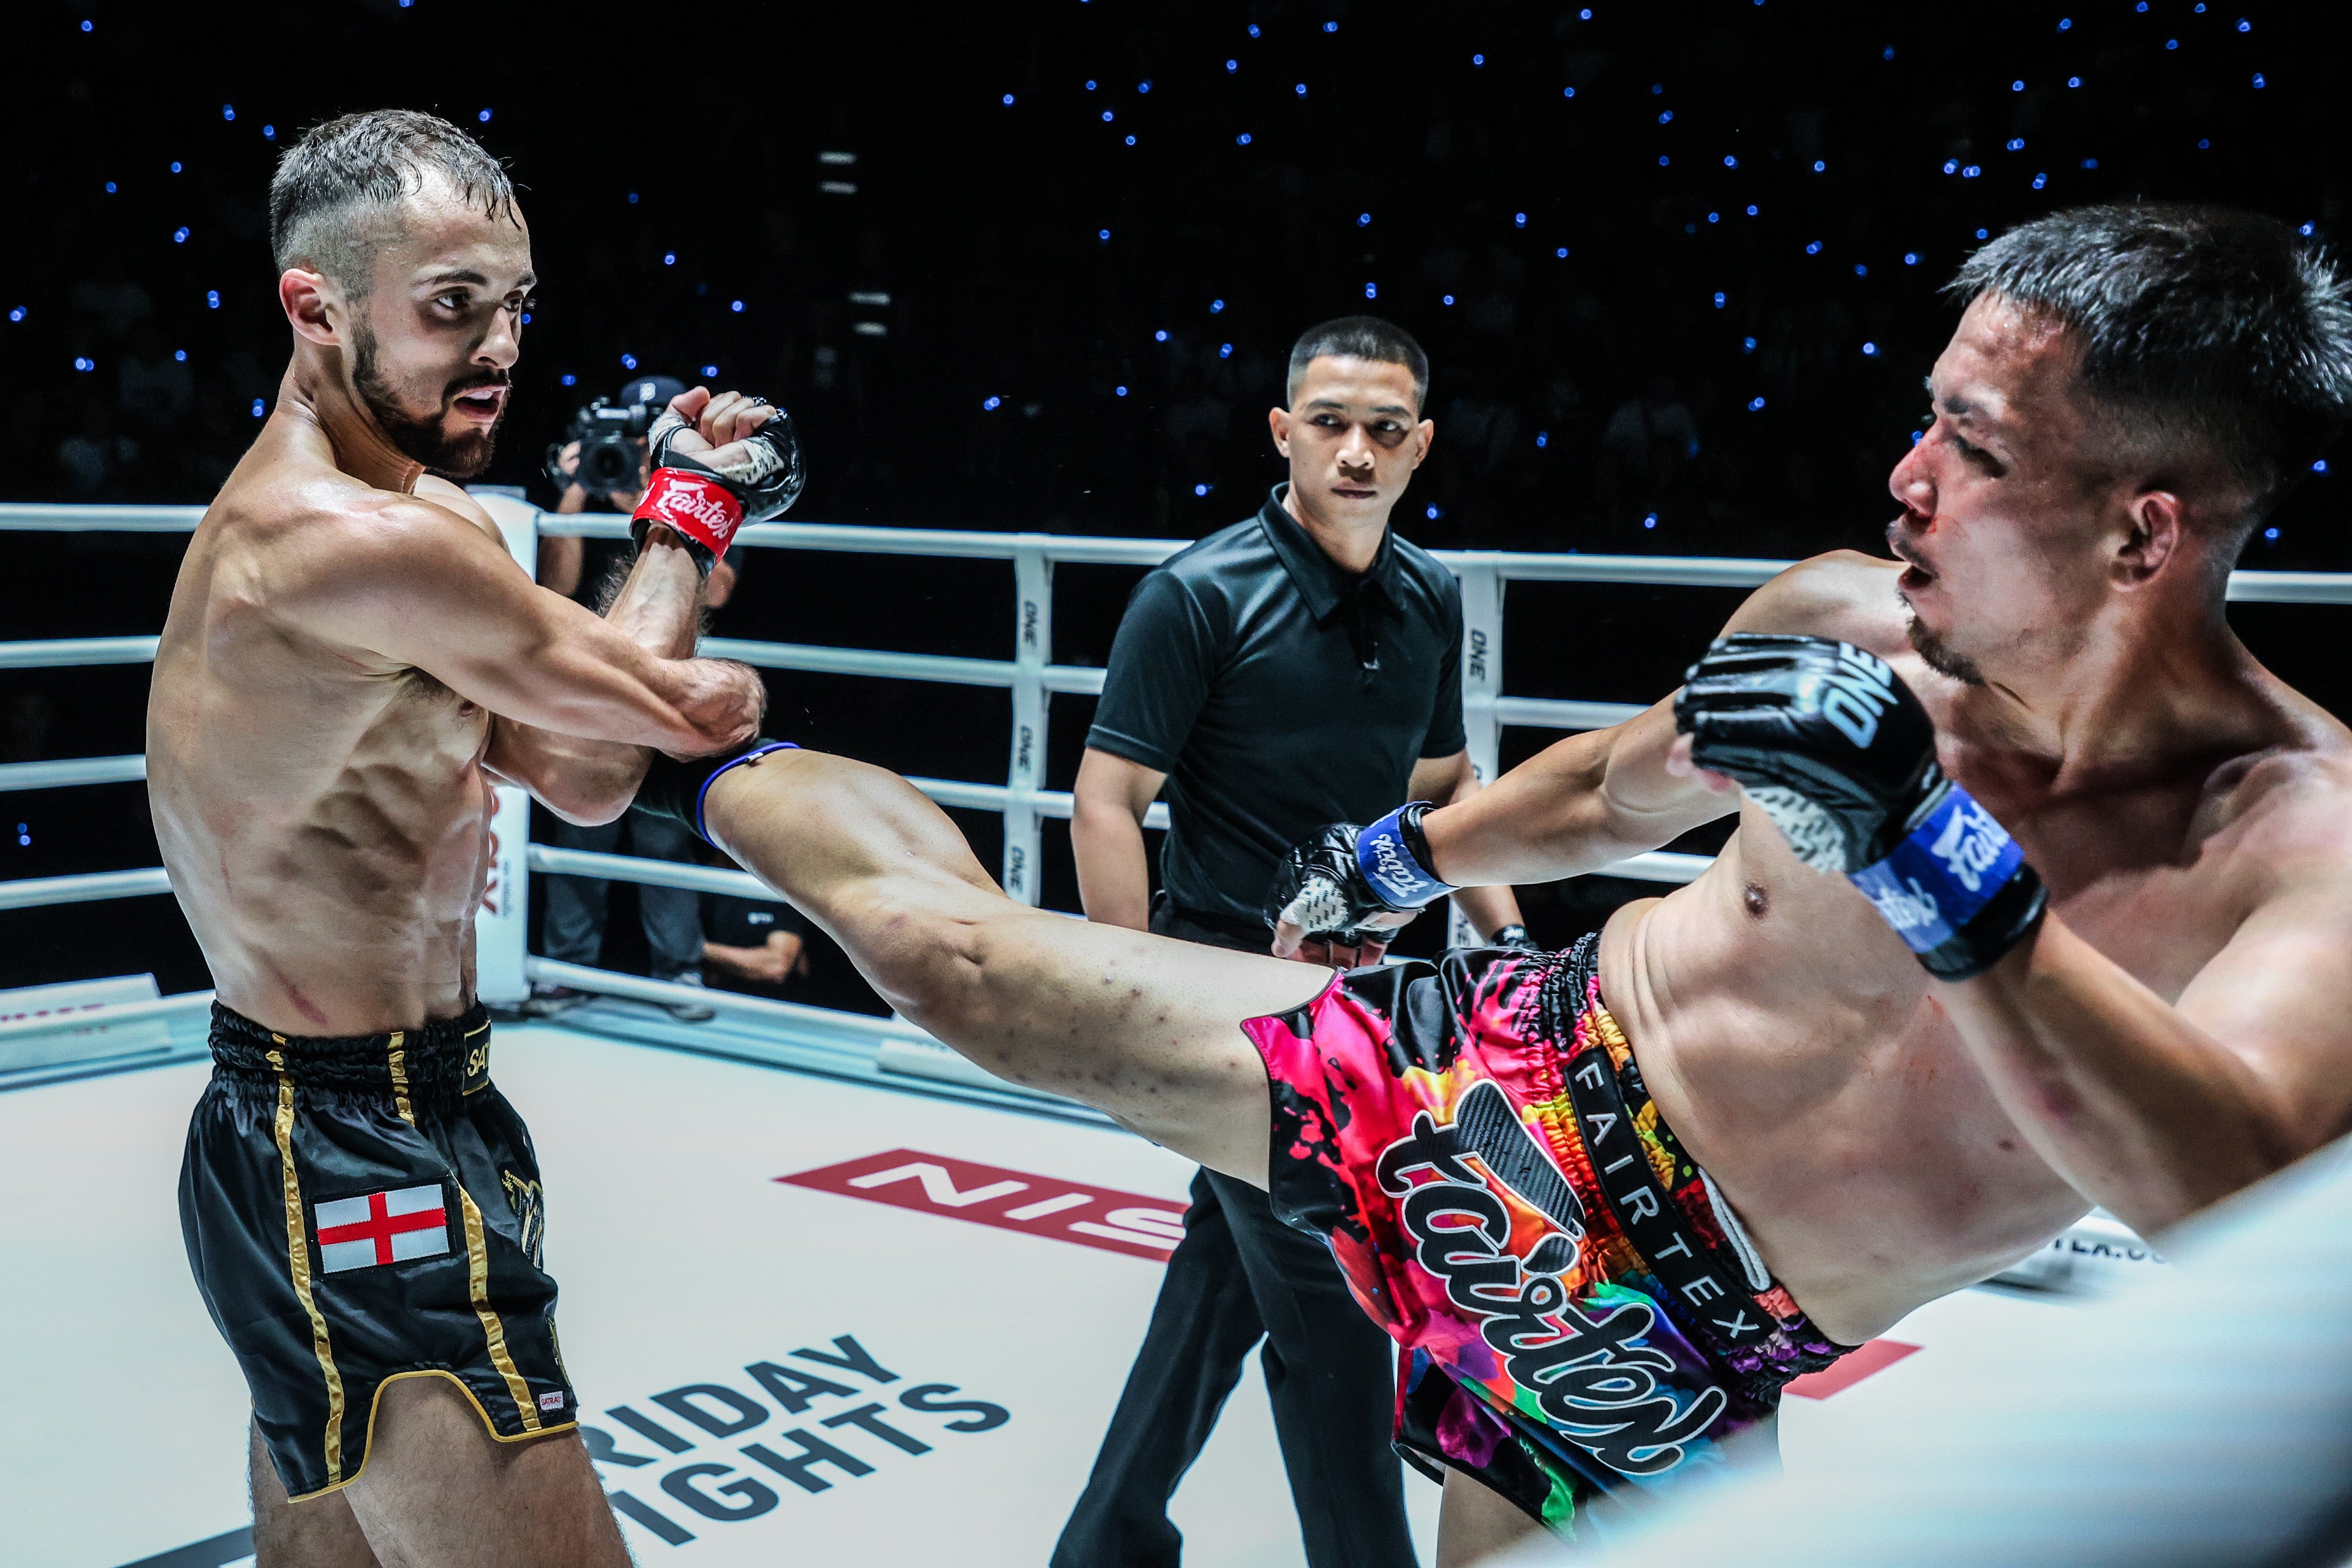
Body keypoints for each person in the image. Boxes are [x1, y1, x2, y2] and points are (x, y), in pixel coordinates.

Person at [628, 203, 2352, 1563]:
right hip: (1498, 1067)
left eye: (1971, 449)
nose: (1904, 483)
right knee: (965, 970)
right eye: (1926, 421)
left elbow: (2253, 1201)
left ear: (2144, 532)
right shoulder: (1849, 624)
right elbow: (1613, 787)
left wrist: (1940, 871)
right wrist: (1403, 856)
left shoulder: (2306, 838)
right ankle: (676, 736)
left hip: (1678, 1330)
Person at [148, 109, 786, 1567]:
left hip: (337, 1115)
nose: (499, 343)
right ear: (312, 305)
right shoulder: (348, 538)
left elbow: (574, 770)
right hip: (352, 1145)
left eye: (514, 303)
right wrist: (692, 525)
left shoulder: (417, 519)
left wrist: (673, 528)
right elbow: (677, 713)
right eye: (452, 307)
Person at [1058, 316, 1528, 1568]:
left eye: (1385, 429)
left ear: (1422, 444)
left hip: (1364, 1001)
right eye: (1330, 423)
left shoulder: (1430, 597)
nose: (1357, 451)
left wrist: (1514, 941)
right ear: (1283, 432)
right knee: (1331, 1308)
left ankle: (1105, 1538)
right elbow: (1108, 796)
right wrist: (1126, 985)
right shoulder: (1198, 592)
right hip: (1228, 1006)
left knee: (1228, 1273)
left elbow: (1442, 794)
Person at [528, 374, 728, 1023]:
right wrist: (576, 494)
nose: (630, 455)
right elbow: (552, 590)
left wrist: (643, 504)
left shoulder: (695, 484)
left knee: (665, 837)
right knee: (579, 832)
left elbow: (719, 589)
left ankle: (680, 972)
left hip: (665, 687)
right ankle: (566, 971)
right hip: (589, 690)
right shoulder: (581, 491)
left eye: (644, 444)